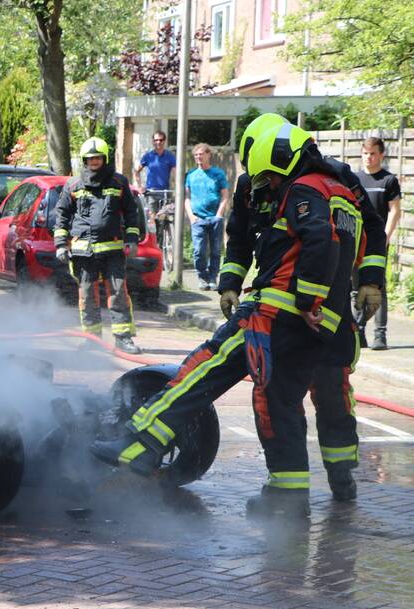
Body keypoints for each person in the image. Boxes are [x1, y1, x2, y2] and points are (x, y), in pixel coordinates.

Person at [93, 121, 367, 519]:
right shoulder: (341, 192)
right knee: (281, 404)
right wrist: (235, 284)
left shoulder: (304, 189)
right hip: (316, 324)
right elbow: (349, 254)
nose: (267, 185)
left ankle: (136, 447)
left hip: (275, 314)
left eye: (269, 177)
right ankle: (289, 497)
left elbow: (319, 242)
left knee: (203, 368)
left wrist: (308, 298)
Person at [219, 113, 387, 503]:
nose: (267, 184)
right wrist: (230, 284)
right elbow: (240, 239)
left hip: (329, 303)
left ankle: (341, 473)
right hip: (284, 306)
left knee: (332, 388)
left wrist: (371, 281)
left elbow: (372, 229)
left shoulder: (336, 177)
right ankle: (291, 489)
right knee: (281, 391)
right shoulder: (250, 186)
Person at [53, 137, 141, 354]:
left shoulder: (119, 182)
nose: (94, 161)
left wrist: (131, 239)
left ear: (105, 158)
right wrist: (60, 245)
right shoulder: (73, 184)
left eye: (98, 158)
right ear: (84, 160)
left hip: (112, 249)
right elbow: (62, 214)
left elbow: (131, 212)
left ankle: (123, 338)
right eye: (90, 158)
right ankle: (92, 340)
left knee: (119, 292)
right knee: (87, 295)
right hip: (84, 251)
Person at [354, 136, 401, 350]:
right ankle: (358, 331)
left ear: (381, 155)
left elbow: (395, 211)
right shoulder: (355, 180)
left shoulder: (388, 180)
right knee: (355, 289)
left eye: (373, 153)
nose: (368, 157)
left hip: (378, 245)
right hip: (357, 244)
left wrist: (385, 236)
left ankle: (380, 335)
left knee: (378, 289)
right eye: (365, 153)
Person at [184, 143, 229, 290]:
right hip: (198, 219)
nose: (199, 157)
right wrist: (191, 216)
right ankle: (202, 276)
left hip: (214, 218)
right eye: (196, 155)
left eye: (201, 154)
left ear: (208, 154)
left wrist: (219, 215)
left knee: (215, 250)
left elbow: (225, 196)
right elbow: (187, 198)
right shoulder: (190, 175)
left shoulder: (218, 174)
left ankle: (212, 277)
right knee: (199, 251)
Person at [135, 130, 176, 215]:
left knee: (165, 218)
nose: (158, 142)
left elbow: (175, 174)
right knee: (152, 218)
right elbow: (137, 172)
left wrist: (176, 187)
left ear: (164, 141)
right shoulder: (148, 156)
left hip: (165, 192)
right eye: (156, 140)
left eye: (161, 140)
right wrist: (140, 186)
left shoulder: (170, 156)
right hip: (151, 192)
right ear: (153, 141)